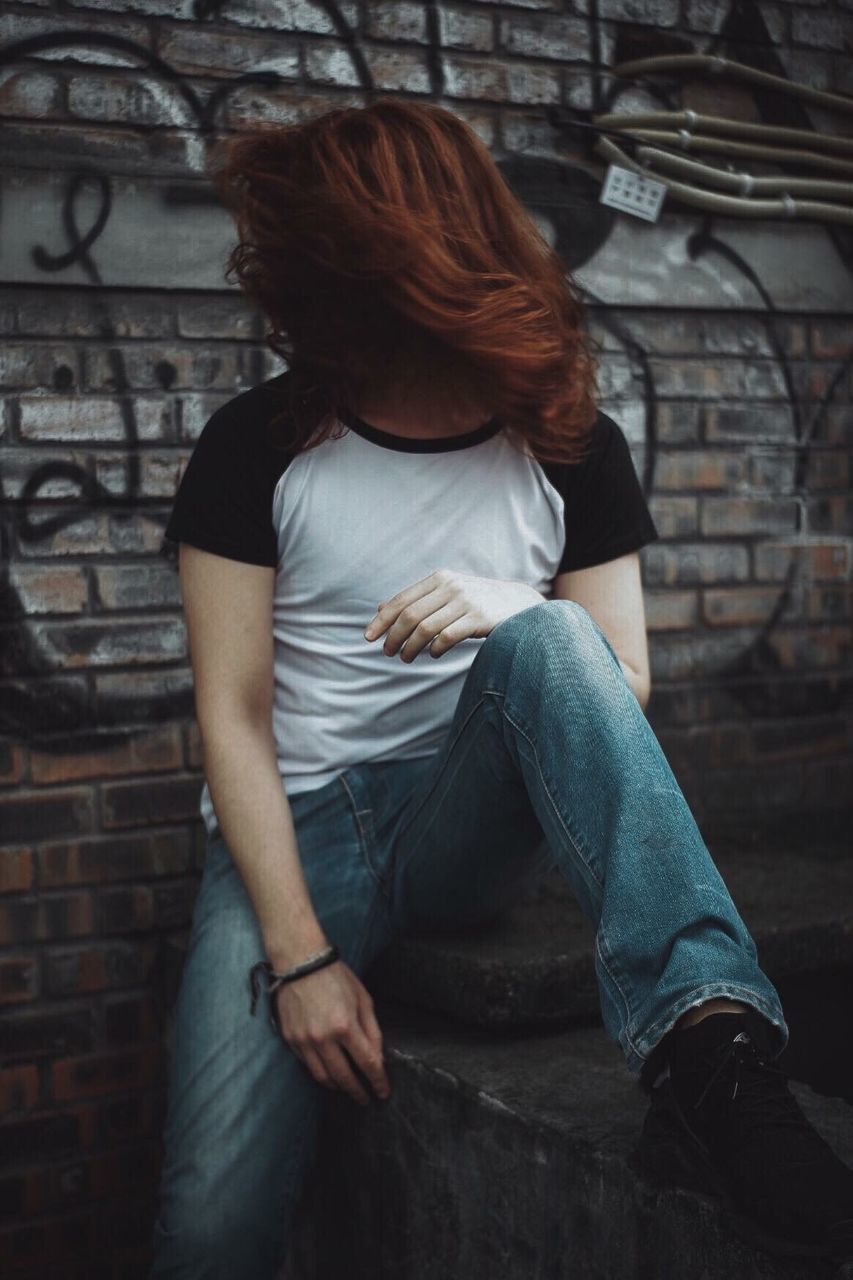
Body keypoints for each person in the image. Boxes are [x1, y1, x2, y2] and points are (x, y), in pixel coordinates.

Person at [149, 97, 853, 1278]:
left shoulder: (568, 444)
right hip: (299, 826)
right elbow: (233, 712)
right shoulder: (256, 441)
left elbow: (614, 678)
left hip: (460, 818)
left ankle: (709, 1048)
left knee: (553, 641)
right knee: (211, 1225)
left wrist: (513, 605)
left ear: (414, 257)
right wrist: (304, 957)